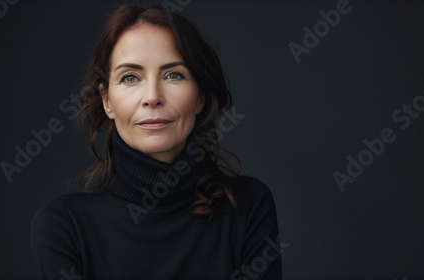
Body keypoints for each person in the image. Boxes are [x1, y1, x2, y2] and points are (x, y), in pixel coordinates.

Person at [30, 4, 282, 280]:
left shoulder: (247, 207)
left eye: (173, 75)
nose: (152, 97)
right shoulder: (63, 226)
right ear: (107, 101)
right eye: (130, 77)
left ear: (199, 97)